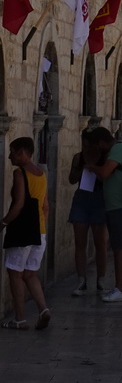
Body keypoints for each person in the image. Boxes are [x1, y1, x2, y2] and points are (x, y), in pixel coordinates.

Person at [0, 137, 50, 331]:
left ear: (22, 152)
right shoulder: (41, 173)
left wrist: (3, 222)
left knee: (14, 273)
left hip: (22, 231)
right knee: (30, 274)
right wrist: (40, 227)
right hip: (40, 231)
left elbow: (19, 203)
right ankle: (44, 309)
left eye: (12, 151)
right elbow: (46, 207)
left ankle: (19, 319)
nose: (10, 155)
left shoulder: (20, 173)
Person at [85, 127, 122, 302]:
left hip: (120, 206)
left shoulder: (118, 149)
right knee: (118, 247)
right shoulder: (115, 150)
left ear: (101, 143)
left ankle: (121, 288)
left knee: (120, 248)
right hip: (115, 206)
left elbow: (105, 173)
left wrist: (92, 166)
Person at [67, 129, 108, 297]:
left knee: (100, 244)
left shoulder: (104, 159)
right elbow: (71, 179)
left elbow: (107, 178)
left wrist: (96, 169)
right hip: (82, 199)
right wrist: (80, 169)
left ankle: (101, 279)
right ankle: (82, 280)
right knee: (80, 242)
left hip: (99, 200)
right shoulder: (78, 157)